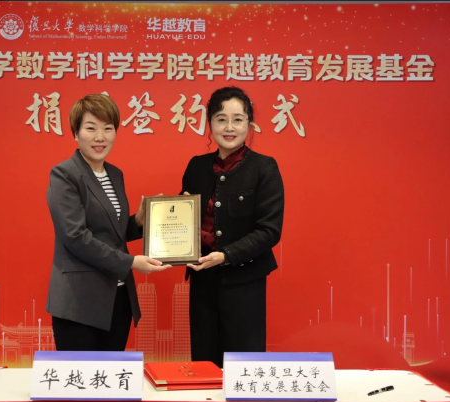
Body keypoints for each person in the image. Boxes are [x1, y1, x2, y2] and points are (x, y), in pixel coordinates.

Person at [45, 94, 171, 351]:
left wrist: (138, 221)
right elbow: (76, 237)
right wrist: (130, 262)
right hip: (79, 302)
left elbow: (112, 232)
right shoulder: (65, 174)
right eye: (91, 128)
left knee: (111, 375)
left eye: (108, 128)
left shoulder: (114, 174)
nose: (100, 137)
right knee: (81, 376)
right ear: (76, 133)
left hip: (118, 297)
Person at [181, 86, 284, 368]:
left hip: (245, 283)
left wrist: (226, 255)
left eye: (237, 119)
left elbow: (269, 230)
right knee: (204, 364)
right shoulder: (196, 166)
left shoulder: (264, 168)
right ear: (210, 123)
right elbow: (182, 220)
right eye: (221, 119)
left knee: (244, 367)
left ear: (249, 124)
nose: (229, 127)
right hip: (202, 280)